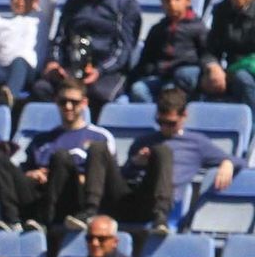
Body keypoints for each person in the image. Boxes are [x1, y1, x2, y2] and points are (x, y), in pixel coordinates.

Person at [79, 85, 242, 233]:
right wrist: (136, 163)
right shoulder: (143, 141)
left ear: (184, 116)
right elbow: (124, 176)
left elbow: (240, 161)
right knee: (98, 148)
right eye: (160, 122)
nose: (164, 127)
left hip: (155, 204)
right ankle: (90, 211)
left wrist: (227, 163)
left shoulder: (196, 143)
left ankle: (160, 218)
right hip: (129, 196)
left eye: (170, 123)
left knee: (162, 152)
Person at [0, 78, 114, 232]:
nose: (68, 106)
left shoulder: (99, 137)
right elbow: (24, 170)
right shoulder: (42, 139)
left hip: (70, 198)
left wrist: (79, 177)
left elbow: (105, 176)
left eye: (74, 102)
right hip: (38, 194)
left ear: (84, 103)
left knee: (60, 158)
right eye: (63, 102)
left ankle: (43, 222)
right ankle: (12, 220)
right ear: (56, 102)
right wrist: (31, 174)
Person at [31, 0, 140, 108]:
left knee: (97, 94)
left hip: (106, 72)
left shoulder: (126, 5)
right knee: (42, 88)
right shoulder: (74, 3)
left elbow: (123, 48)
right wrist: (54, 63)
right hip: (72, 69)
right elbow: (60, 38)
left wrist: (100, 70)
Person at [127, 0, 208, 101]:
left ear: (187, 1)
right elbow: (146, 59)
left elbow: (205, 54)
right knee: (138, 89)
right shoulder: (157, 29)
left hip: (182, 76)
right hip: (160, 76)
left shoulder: (197, 27)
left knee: (168, 92)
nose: (172, 3)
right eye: (167, 0)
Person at [200, 0, 255, 112]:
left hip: (246, 70)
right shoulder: (222, 11)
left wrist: (232, 71)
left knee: (243, 79)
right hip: (230, 71)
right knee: (189, 76)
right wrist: (212, 67)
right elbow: (211, 48)